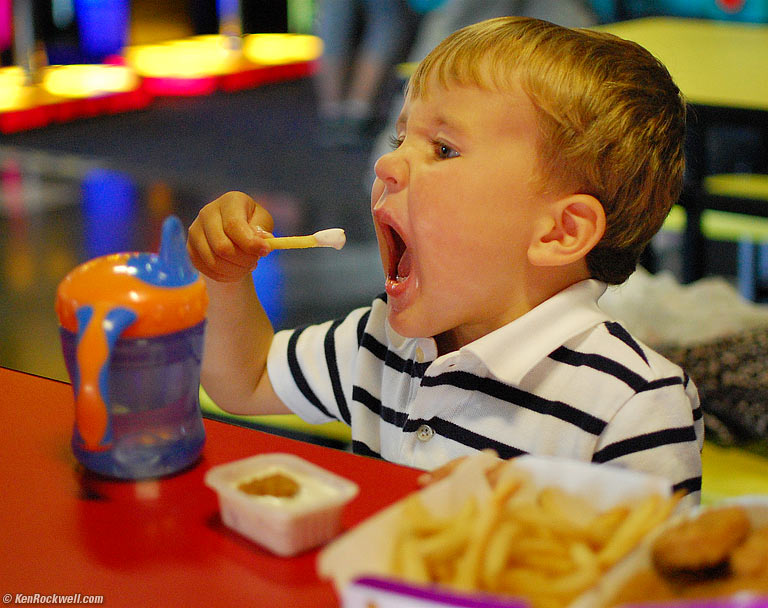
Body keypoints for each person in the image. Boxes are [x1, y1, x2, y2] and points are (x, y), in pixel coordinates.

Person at [187, 17, 704, 504]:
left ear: (560, 231)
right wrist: (226, 278)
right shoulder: (383, 344)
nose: (387, 163)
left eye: (444, 149)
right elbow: (245, 381)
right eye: (399, 138)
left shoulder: (634, 406)